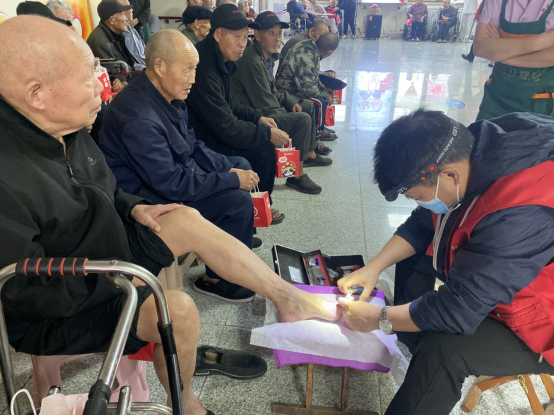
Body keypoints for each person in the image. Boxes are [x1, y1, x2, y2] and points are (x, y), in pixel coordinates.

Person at [0, 15, 342, 416]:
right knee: (178, 311)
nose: (101, 87)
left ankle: (287, 297)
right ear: (37, 94)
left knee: (182, 218)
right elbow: (24, 295)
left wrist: (133, 206)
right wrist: (117, 277)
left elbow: (104, 189)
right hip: (67, 302)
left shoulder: (68, 130)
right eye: (87, 77)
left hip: (104, 251)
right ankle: (187, 402)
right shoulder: (10, 175)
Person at [336, 109, 554, 415]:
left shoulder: (518, 213)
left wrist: (379, 318)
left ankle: (421, 347)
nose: (420, 203)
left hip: (541, 322)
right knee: (417, 254)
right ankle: (413, 335)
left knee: (443, 352)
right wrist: (373, 268)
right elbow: (423, 225)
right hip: (506, 275)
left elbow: (459, 310)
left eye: (418, 196)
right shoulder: (468, 149)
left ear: (450, 175)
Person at [100, 30, 264, 302]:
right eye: (187, 69)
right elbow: (172, 184)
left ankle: (232, 243)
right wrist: (232, 180)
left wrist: (229, 169)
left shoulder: (168, 95)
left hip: (174, 176)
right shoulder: (139, 118)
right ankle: (221, 281)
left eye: (195, 69)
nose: (193, 79)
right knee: (236, 200)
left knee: (240, 163)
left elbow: (192, 145)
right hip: (148, 200)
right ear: (159, 66)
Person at [187, 4, 289, 224]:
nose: (243, 44)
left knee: (263, 143)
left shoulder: (221, 59)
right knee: (262, 148)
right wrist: (265, 133)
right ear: (218, 34)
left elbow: (231, 103)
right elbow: (226, 126)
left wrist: (257, 117)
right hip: (201, 141)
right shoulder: (203, 66)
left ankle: (257, 206)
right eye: (236, 37)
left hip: (214, 129)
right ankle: (253, 209)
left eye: (245, 37)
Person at [233, 12, 333, 194]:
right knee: (302, 119)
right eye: (271, 33)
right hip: (255, 115)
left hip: (263, 105)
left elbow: (272, 91)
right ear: (257, 35)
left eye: (279, 34)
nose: (277, 39)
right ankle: (296, 176)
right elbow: (265, 104)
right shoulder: (253, 61)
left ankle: (308, 153)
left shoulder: (264, 57)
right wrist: (289, 113)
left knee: (307, 106)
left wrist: (291, 101)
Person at [473, 0, 554, 120]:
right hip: (496, 99)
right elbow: (480, 47)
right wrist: (538, 42)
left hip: (542, 102)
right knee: (483, 132)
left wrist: (504, 54)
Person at [275, 32, 340, 140]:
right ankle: (317, 134)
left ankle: (320, 126)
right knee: (320, 101)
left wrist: (323, 86)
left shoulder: (311, 46)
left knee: (322, 93)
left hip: (295, 85)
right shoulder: (307, 55)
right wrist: (327, 96)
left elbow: (311, 76)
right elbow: (308, 89)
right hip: (286, 91)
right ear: (329, 52)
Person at [87, 0, 143, 91]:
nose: (126, 19)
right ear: (112, 20)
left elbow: (127, 66)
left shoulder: (116, 34)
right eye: (123, 15)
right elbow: (115, 75)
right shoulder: (101, 42)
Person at [120, 0, 146, 68]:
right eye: (128, 8)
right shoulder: (120, 34)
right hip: (138, 70)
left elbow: (144, 50)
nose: (132, 10)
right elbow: (128, 65)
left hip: (146, 64)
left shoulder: (131, 28)